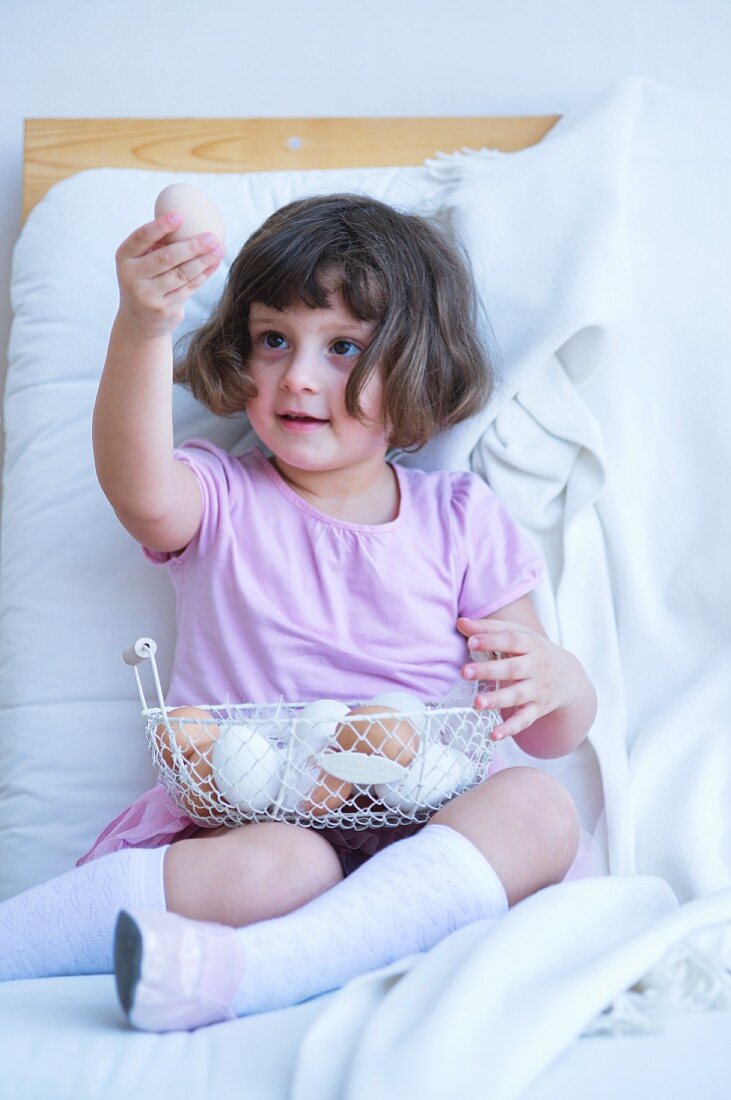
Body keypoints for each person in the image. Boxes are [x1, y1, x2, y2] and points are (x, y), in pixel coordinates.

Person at [0, 193, 598, 1031]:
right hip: (256, 824)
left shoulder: (459, 516)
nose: (299, 376)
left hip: (426, 837)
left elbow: (547, 732)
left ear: (419, 367)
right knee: (287, 868)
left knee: (540, 809)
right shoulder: (222, 493)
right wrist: (142, 326)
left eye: (344, 347)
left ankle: (267, 969)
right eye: (273, 339)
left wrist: (559, 680)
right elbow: (136, 488)